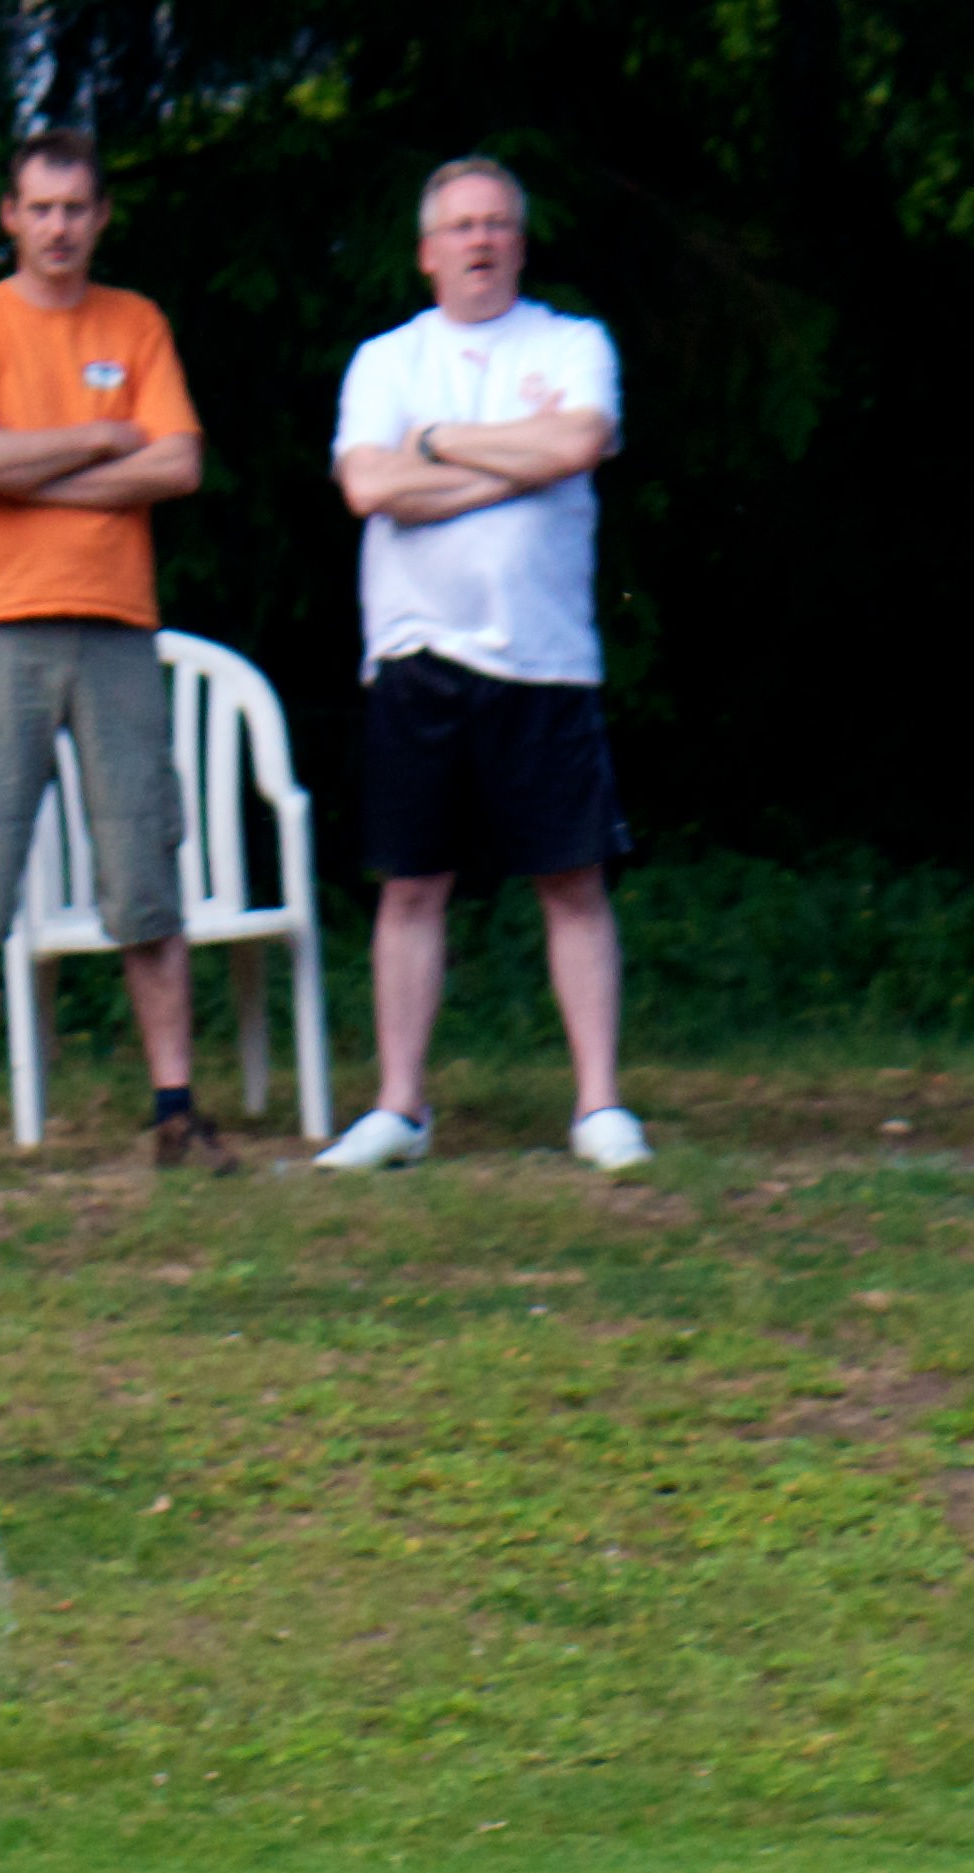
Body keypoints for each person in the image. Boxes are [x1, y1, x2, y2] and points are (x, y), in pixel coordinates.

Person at [0, 128, 231, 1177]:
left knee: (145, 870)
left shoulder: (136, 322)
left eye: (76, 208)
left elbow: (178, 464)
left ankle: (174, 1112)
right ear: (10, 216)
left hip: (117, 626)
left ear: (101, 216)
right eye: (39, 208)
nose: (58, 227)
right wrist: (99, 435)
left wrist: (24, 467)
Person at [319, 156, 653, 1174]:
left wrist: (437, 445)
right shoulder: (386, 361)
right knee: (411, 887)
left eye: (497, 224)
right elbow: (369, 487)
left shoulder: (573, 343)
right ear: (428, 252)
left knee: (572, 881)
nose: (480, 241)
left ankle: (599, 1105)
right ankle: (399, 1108)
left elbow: (578, 442)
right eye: (461, 227)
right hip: (416, 655)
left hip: (544, 658)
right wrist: (515, 464)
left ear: (520, 241)